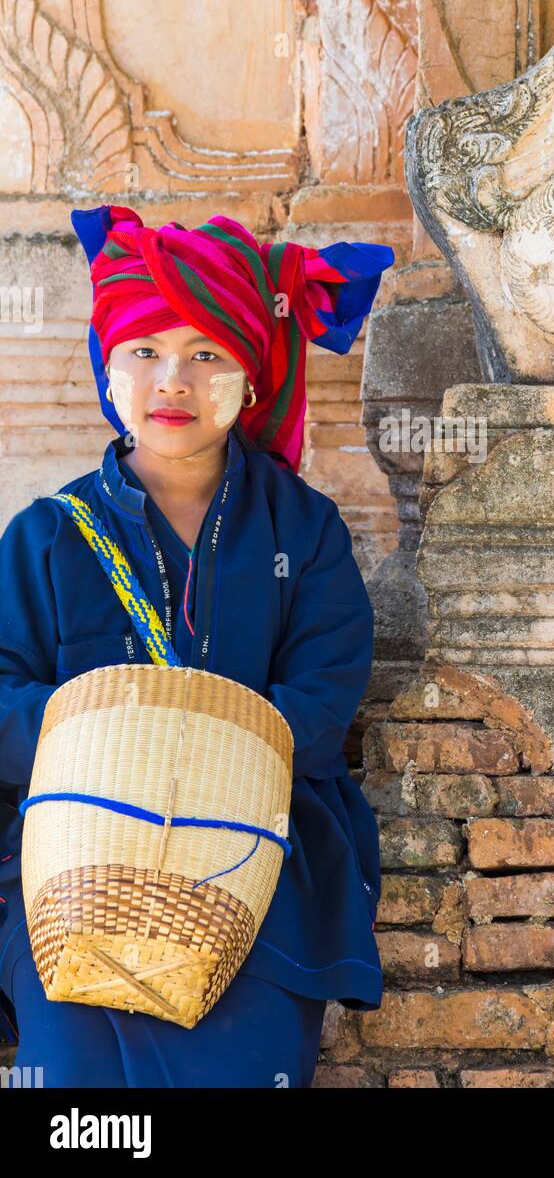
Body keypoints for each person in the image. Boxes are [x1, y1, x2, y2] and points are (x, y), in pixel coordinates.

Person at [0, 205, 394, 1087]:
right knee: (76, 1097)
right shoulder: (45, 537)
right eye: (144, 351)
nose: (172, 379)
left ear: (250, 381)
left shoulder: (307, 531)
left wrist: (206, 760)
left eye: (207, 353)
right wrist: (101, 748)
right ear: (109, 370)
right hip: (76, 876)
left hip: (251, 870)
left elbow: (324, 695)